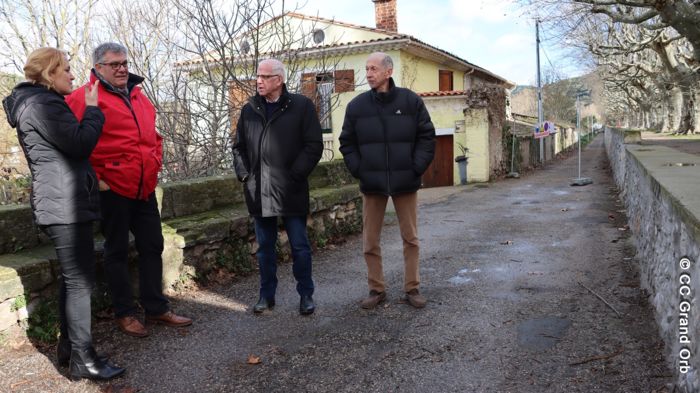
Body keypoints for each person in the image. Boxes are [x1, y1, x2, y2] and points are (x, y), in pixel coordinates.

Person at [3, 47, 124, 380]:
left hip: (65, 202)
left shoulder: (39, 103)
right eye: (67, 70)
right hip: (64, 206)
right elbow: (80, 144)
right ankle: (84, 359)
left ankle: (71, 350)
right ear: (49, 73)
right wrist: (94, 109)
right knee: (80, 282)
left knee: (74, 282)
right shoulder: (41, 104)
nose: (72, 75)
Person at [66, 42, 191, 337]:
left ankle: (156, 308)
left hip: (144, 186)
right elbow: (70, 142)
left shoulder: (138, 96)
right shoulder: (82, 98)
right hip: (112, 189)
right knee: (117, 251)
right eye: (114, 64)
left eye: (124, 63)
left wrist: (156, 162)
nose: (122, 68)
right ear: (98, 68)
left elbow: (154, 137)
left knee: (152, 246)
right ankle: (124, 313)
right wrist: (95, 177)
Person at [339, 52, 435, 310]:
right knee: (370, 240)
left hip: (406, 181)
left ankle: (412, 288)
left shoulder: (410, 101)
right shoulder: (357, 106)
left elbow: (427, 137)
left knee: (411, 238)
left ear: (388, 72)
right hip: (372, 183)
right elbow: (347, 142)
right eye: (366, 69)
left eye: (373, 69)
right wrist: (360, 169)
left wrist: (415, 168)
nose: (368, 74)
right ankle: (376, 289)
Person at [232, 59, 323, 315]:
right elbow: (238, 148)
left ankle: (306, 295)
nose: (258, 80)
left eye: (265, 76)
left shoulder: (301, 106)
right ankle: (266, 296)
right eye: (257, 76)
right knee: (264, 250)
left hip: (291, 189)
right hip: (259, 190)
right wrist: (245, 176)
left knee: (300, 246)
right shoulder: (249, 109)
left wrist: (296, 175)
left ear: (279, 80)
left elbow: (314, 145)